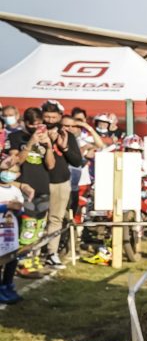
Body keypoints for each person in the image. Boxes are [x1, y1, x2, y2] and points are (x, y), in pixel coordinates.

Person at [6, 107, 55, 274]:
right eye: (33, 125)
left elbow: (51, 165)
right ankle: (20, 260)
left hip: (43, 186)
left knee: (39, 226)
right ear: (26, 123)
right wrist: (30, 143)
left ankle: (32, 257)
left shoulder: (44, 137)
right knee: (27, 226)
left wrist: (48, 146)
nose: (37, 128)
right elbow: (16, 161)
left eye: (40, 124)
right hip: (24, 186)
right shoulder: (15, 137)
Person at [37, 101, 83, 267]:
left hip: (61, 181)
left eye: (53, 117)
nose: (49, 120)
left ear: (60, 117)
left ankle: (51, 252)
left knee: (56, 219)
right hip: (38, 181)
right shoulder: (35, 132)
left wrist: (63, 148)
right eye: (47, 116)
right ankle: (32, 252)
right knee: (37, 218)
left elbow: (77, 161)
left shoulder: (66, 135)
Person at [0, 150, 27, 303]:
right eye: (5, 170)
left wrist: (16, 209)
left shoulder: (16, 191)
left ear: (17, 175)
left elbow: (20, 211)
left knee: (11, 260)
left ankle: (8, 285)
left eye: (12, 171)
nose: (8, 173)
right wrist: (5, 207)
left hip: (10, 234)